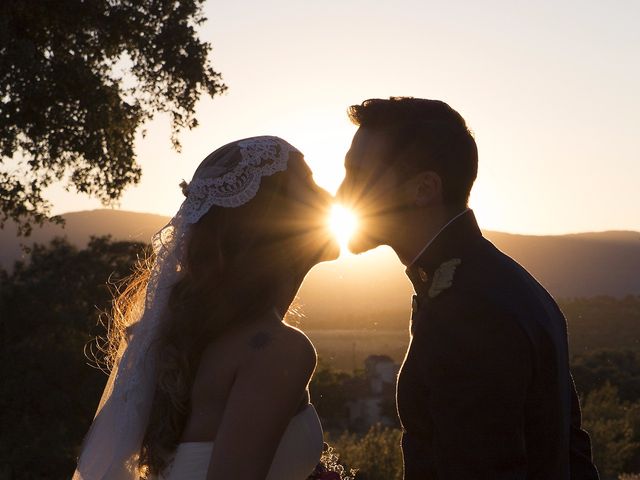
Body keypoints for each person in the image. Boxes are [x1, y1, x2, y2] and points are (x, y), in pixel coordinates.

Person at [337, 97, 600, 479]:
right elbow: (572, 453)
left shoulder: (473, 310)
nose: (340, 193)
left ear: (424, 188)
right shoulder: (505, 283)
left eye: (356, 175)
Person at [72, 136, 339, 480]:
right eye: (311, 184)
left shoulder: (213, 340)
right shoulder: (276, 349)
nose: (331, 197)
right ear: (273, 221)